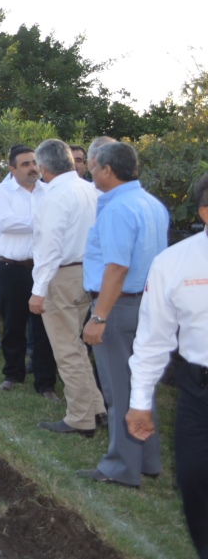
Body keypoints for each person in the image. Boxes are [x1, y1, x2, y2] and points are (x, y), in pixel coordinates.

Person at [76, 141, 168, 487]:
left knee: (119, 390)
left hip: (116, 305)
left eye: (94, 165)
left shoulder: (117, 209)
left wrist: (98, 318)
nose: (91, 171)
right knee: (141, 386)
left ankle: (121, 467)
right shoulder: (150, 203)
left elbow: (116, 267)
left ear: (107, 170)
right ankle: (147, 459)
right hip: (144, 305)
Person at [126, 173, 208, 554]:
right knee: (195, 485)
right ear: (205, 211)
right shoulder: (175, 263)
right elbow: (153, 339)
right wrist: (140, 400)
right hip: (199, 393)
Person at [28, 139, 106, 437]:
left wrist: (38, 289)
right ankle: (95, 407)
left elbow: (49, 248)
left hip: (60, 276)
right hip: (86, 273)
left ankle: (80, 418)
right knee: (77, 347)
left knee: (67, 350)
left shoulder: (54, 197)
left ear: (43, 167)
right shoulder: (90, 189)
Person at [0, 145, 58, 400]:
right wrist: (41, 223)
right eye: (25, 164)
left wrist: (34, 224)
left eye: (34, 163)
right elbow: (4, 222)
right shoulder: (1, 192)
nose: (32, 168)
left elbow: (58, 223)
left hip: (42, 268)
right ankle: (13, 373)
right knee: (13, 323)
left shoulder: (48, 191)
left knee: (44, 326)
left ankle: (46, 382)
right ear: (12, 168)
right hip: (12, 268)